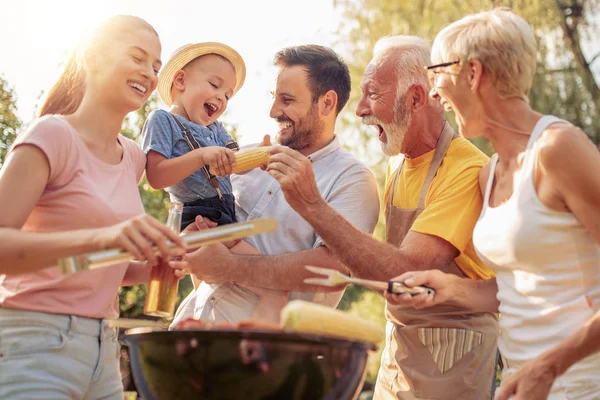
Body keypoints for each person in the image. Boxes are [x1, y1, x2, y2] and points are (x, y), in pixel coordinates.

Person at [263, 36, 499, 399]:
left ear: (416, 98)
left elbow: (407, 274)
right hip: (398, 352)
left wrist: (312, 205)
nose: (357, 110)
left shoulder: (466, 169)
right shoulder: (397, 161)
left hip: (453, 357)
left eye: (371, 94)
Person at [385, 8, 600, 400]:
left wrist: (550, 366)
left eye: (437, 74)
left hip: (580, 385)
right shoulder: (490, 172)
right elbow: (517, 288)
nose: (433, 92)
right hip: (521, 384)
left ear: (473, 73)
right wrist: (450, 289)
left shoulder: (557, 149)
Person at [0, 15, 185, 399]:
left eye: (155, 65)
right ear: (94, 57)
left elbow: (101, 267)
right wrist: (105, 236)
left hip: (103, 349)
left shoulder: (131, 157)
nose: (149, 74)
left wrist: (158, 264)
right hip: (33, 342)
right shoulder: (52, 135)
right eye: (137, 58)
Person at [169, 44, 380, 326]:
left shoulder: (353, 179)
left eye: (287, 100)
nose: (273, 111)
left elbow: (333, 270)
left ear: (327, 103)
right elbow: (205, 226)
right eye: (274, 97)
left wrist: (231, 267)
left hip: (268, 355)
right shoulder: (240, 157)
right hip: (192, 327)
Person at [141, 42, 287, 323]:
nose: (221, 98)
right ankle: (243, 342)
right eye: (214, 85)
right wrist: (201, 156)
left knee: (258, 288)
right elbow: (157, 176)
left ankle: (244, 345)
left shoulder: (216, 130)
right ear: (181, 80)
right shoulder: (163, 121)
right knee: (266, 287)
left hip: (224, 219)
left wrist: (257, 158)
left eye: (227, 95)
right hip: (195, 219)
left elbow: (232, 164)